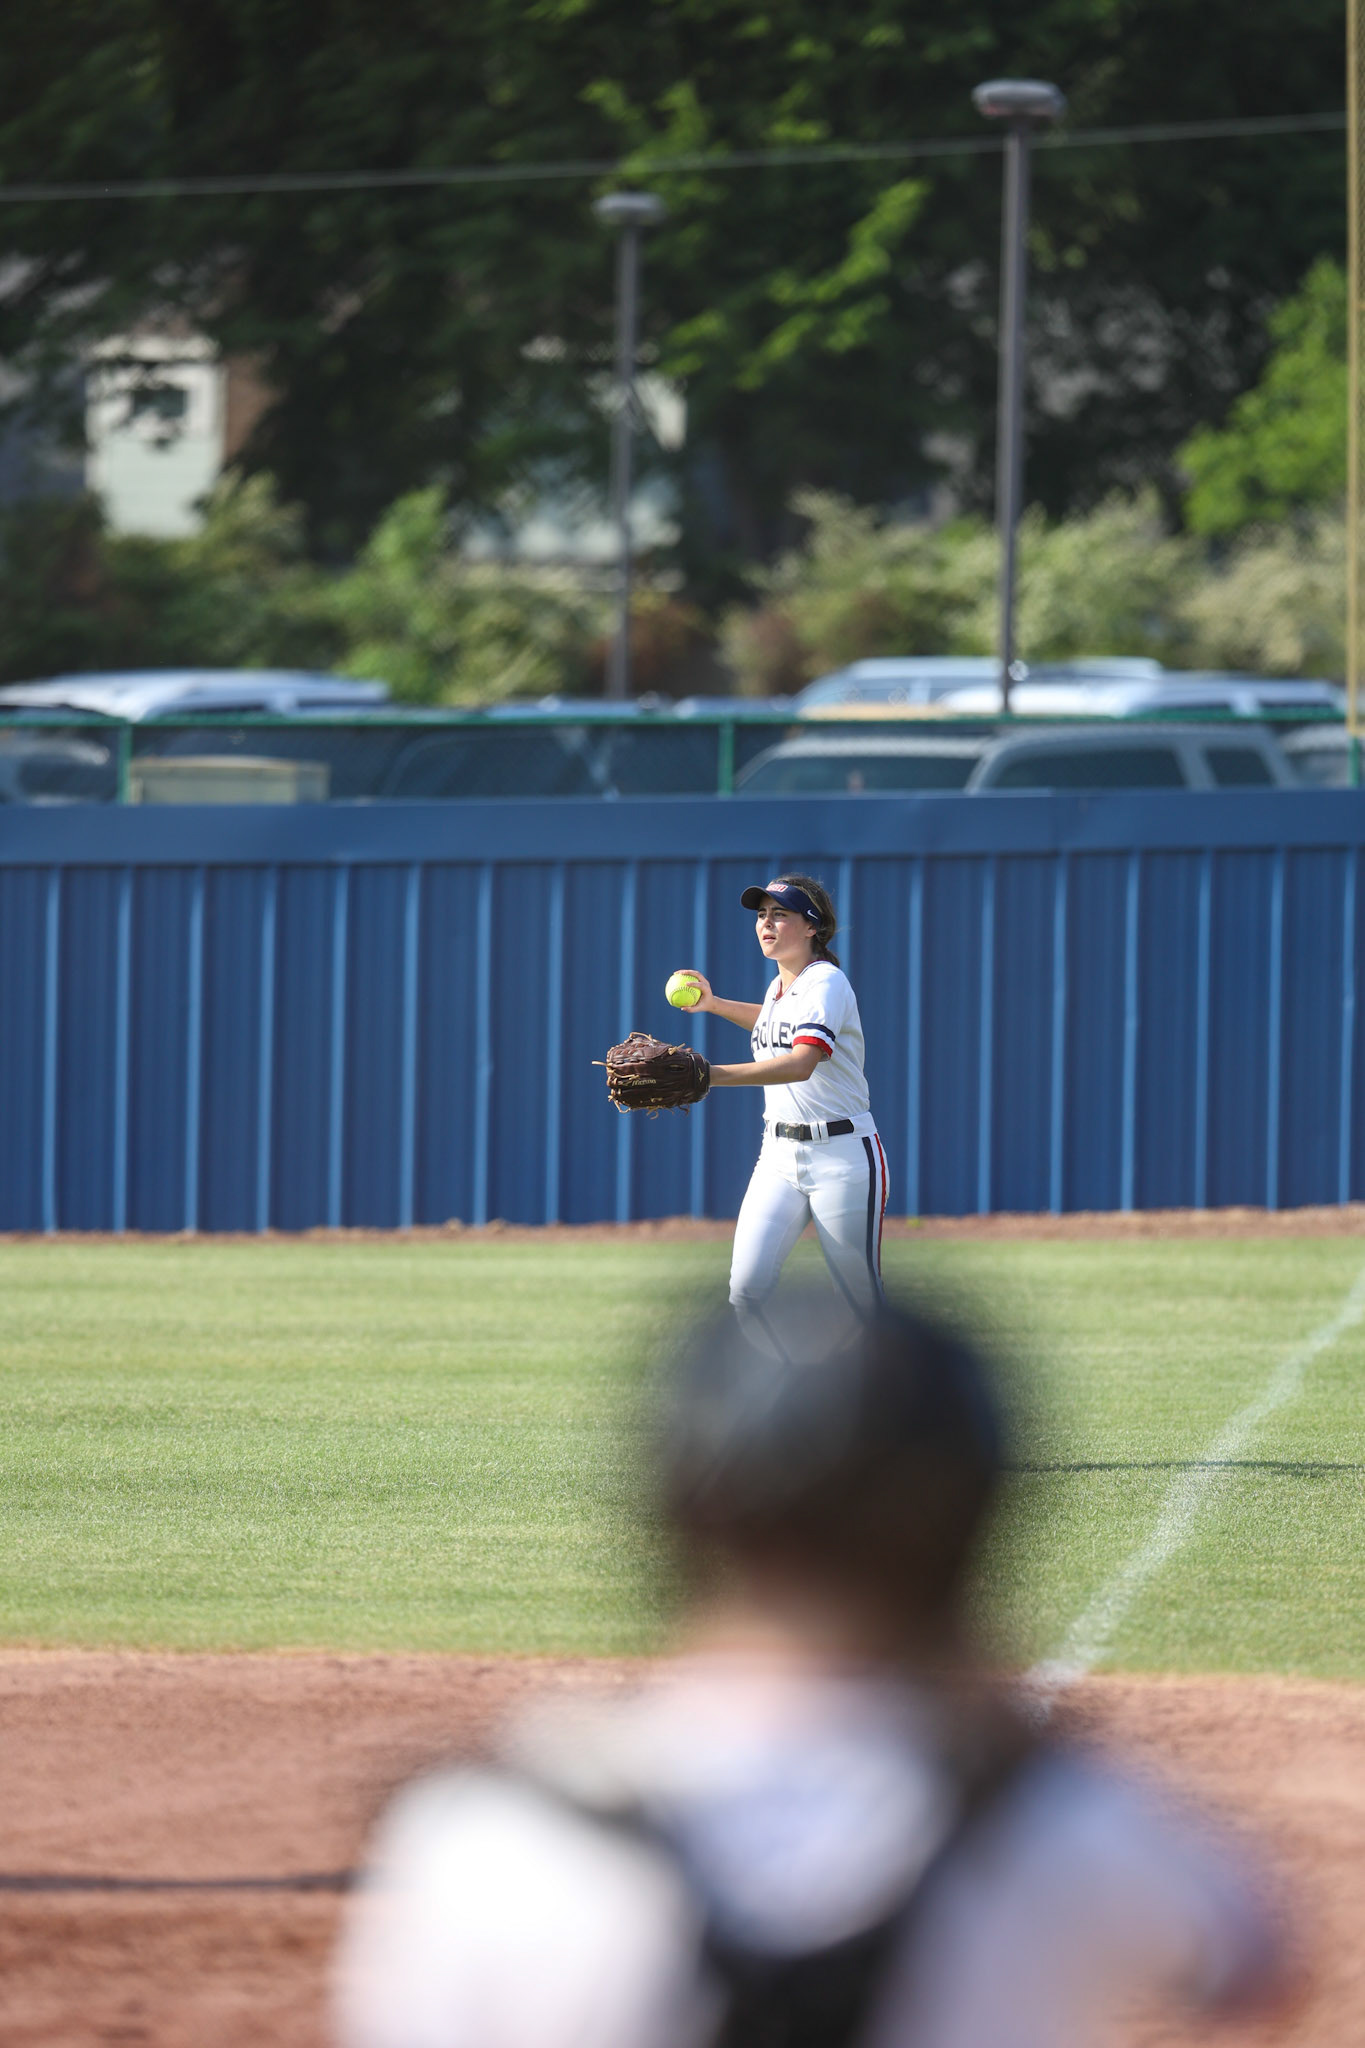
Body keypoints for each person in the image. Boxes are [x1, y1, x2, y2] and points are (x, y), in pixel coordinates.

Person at [336, 1291, 1291, 2048]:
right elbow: (1254, 1967)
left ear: (677, 1509)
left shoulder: (485, 1833)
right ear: (969, 1526)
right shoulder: (1056, 1820)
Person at [676, 874, 888, 1343]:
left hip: (843, 1156)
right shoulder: (782, 987)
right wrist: (714, 1004)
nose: (766, 924)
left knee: (859, 1300)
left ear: (812, 927)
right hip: (777, 1156)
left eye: (780, 914)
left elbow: (801, 1062)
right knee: (746, 1290)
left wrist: (708, 1075)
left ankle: (892, 1410)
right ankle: (780, 1408)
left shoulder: (827, 982)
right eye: (761, 915)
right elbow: (775, 1021)